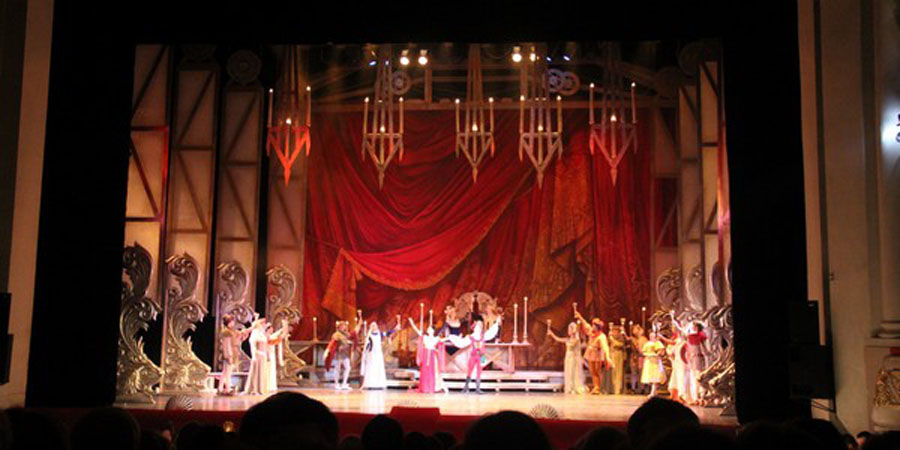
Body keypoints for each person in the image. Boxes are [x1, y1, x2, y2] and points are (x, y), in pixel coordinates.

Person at [449, 313, 501, 394]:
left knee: (479, 371)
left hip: (481, 356)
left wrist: (496, 323)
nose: (479, 328)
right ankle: (466, 388)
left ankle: (478, 388)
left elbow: (491, 332)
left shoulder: (483, 336)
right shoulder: (471, 337)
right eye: (477, 327)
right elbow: (462, 342)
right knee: (470, 370)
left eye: (480, 327)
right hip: (473, 356)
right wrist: (452, 337)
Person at [244, 317, 288, 395]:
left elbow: (280, 335)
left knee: (265, 373)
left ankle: (263, 387)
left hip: (265, 356)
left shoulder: (263, 336)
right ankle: (258, 388)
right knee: (261, 373)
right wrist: (255, 356)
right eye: (270, 328)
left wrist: (285, 325)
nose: (272, 329)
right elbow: (253, 345)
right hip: (261, 356)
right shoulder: (261, 335)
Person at [574, 306, 612, 395]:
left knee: (598, 371)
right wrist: (579, 316)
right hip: (591, 353)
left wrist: (607, 357)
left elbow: (605, 347)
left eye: (594, 326)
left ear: (597, 327)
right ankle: (596, 387)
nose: (592, 327)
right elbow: (585, 323)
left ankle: (600, 387)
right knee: (592, 371)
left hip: (597, 354)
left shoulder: (601, 336)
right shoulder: (591, 332)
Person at [546, 322, 588, 394]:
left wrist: (577, 329)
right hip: (568, 358)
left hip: (573, 358)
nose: (569, 331)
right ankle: (569, 387)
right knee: (569, 371)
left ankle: (574, 387)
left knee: (573, 372)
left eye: (570, 329)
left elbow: (573, 343)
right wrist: (551, 334)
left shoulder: (576, 339)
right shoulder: (568, 339)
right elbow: (558, 339)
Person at [408, 317, 448, 393]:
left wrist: (449, 338)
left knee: (431, 371)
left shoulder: (436, 338)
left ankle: (431, 387)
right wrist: (412, 323)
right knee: (424, 371)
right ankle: (425, 387)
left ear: (433, 331)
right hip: (425, 354)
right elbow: (417, 330)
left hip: (432, 355)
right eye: (428, 328)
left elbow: (442, 341)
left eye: (430, 329)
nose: (428, 329)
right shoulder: (425, 337)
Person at [218, 312, 254, 395]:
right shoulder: (226, 332)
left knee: (225, 371)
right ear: (227, 323)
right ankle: (227, 389)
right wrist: (228, 356)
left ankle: (220, 388)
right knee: (228, 372)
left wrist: (252, 327)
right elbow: (226, 345)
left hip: (234, 351)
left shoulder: (233, 331)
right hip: (230, 353)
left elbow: (241, 335)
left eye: (233, 321)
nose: (233, 323)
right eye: (231, 322)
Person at [361, 318, 401, 389]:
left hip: (378, 354)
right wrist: (366, 353)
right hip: (372, 355)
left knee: (378, 368)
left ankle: (378, 384)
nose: (374, 327)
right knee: (372, 368)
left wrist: (395, 329)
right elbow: (367, 346)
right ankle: (371, 384)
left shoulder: (380, 334)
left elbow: (388, 333)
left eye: (375, 326)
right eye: (373, 326)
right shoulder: (369, 336)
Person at [325, 320, 358, 391]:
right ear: (339, 327)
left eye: (344, 326)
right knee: (337, 369)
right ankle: (336, 384)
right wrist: (327, 350)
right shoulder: (336, 334)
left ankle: (344, 383)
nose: (344, 327)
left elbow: (352, 335)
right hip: (338, 354)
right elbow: (332, 343)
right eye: (343, 326)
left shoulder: (346, 334)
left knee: (348, 368)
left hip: (345, 354)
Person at [665, 328, 690, 404]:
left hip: (682, 363)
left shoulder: (685, 343)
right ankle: (674, 395)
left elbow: (686, 354)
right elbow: (671, 347)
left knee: (681, 378)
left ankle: (682, 395)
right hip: (676, 362)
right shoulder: (678, 341)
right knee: (675, 378)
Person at [641, 330, 666, 397]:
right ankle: (654, 391)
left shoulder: (658, 343)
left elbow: (661, 351)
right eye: (651, 336)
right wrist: (647, 354)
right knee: (650, 377)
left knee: (655, 376)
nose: (651, 337)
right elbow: (644, 352)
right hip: (649, 361)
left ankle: (653, 392)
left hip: (655, 361)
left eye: (653, 336)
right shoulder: (647, 343)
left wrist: (656, 354)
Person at [629, 324, 649, 394]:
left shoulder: (644, 339)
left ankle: (642, 388)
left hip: (641, 357)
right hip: (634, 357)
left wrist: (641, 350)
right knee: (634, 373)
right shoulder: (633, 339)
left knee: (641, 372)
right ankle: (633, 388)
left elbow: (643, 349)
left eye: (635, 329)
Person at [609, 324, 627, 395]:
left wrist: (613, 340)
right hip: (612, 354)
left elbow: (620, 345)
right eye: (613, 331)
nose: (614, 333)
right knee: (613, 372)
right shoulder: (611, 339)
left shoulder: (620, 338)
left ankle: (618, 389)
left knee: (618, 372)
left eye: (615, 331)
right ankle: (613, 388)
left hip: (618, 354)